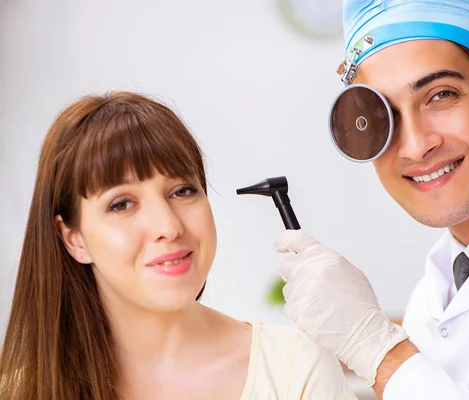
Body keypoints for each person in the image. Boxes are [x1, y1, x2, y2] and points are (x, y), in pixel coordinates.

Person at [272, 0, 469, 398]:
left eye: (440, 95)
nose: (414, 147)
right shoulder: (432, 295)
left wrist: (379, 353)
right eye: (383, 116)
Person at [0, 91, 355, 399]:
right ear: (73, 239)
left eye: (182, 191)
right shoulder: (24, 389)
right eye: (121, 204)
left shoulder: (295, 369)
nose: (169, 227)